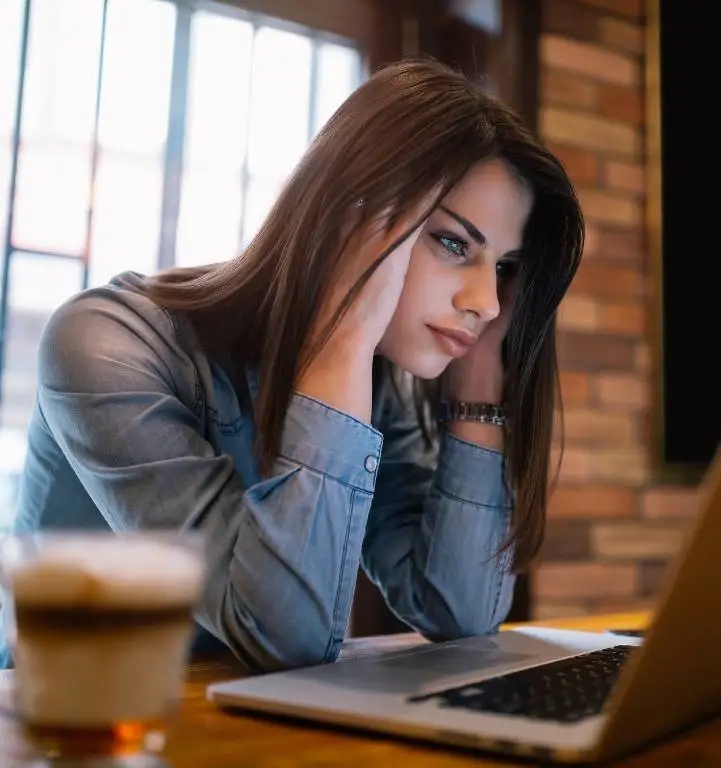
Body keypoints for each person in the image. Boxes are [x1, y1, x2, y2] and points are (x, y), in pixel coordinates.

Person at [2, 58, 584, 672]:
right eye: (452, 243)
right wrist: (342, 337)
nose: (487, 302)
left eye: (503, 268)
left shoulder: (381, 383)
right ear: (346, 219)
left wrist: (482, 377)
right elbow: (283, 637)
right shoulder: (108, 344)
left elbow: (459, 612)